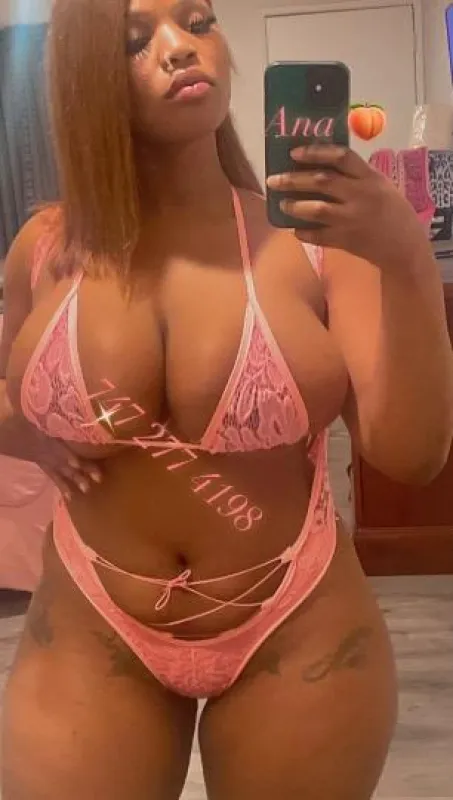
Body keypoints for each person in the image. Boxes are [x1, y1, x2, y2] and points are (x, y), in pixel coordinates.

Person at [1, 1, 452, 798]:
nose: (181, 49)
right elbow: (10, 394)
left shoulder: (319, 243)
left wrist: (404, 256)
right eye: (136, 42)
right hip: (91, 619)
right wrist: (32, 434)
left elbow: (410, 456)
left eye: (198, 21)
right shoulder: (43, 247)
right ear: (83, 80)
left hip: (296, 619)